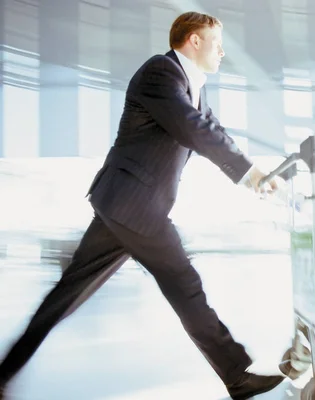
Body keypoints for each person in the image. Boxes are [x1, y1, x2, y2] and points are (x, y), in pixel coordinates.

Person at [0, 11, 287, 400]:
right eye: (216, 42)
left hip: (123, 205)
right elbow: (193, 128)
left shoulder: (192, 85)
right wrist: (249, 174)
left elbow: (212, 129)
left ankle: (3, 373)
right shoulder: (161, 73)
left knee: (66, 294)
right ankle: (237, 375)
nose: (222, 51)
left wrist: (252, 176)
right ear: (194, 40)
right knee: (184, 284)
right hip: (136, 205)